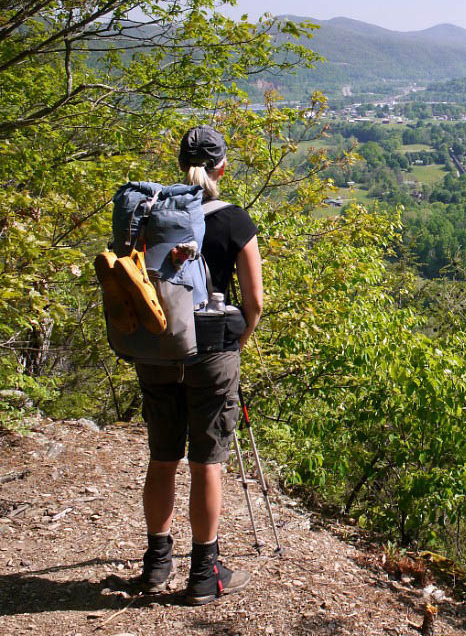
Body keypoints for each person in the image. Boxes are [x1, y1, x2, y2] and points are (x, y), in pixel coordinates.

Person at [134, 125, 264, 604]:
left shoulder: (151, 217)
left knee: (162, 457)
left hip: (160, 348)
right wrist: (238, 344)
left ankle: (156, 566)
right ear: (222, 168)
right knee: (207, 462)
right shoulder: (234, 220)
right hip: (213, 351)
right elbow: (255, 302)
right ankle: (205, 575)